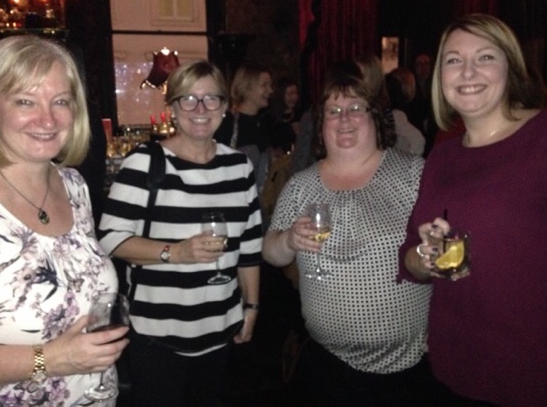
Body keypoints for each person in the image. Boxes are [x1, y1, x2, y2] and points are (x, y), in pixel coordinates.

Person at [398, 13, 547, 407]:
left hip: (539, 379)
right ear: (440, 77)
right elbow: (409, 260)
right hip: (453, 371)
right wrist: (424, 256)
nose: (468, 71)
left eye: (485, 57)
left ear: (511, 68)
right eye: (454, 60)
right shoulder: (443, 156)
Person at [0, 35, 128, 406]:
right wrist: (47, 360)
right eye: (25, 101)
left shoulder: (73, 186)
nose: (47, 119)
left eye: (60, 101)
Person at [263, 72, 436, 406]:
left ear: (375, 116)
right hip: (327, 368)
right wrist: (288, 241)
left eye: (356, 108)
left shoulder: (415, 174)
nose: (344, 119)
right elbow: (271, 252)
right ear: (321, 123)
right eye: (333, 111)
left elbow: (441, 249)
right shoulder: (300, 185)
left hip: (406, 370)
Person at [98, 59, 262, 407]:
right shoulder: (145, 163)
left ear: (224, 106)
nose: (200, 109)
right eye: (187, 99)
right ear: (172, 108)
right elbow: (110, 239)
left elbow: (249, 246)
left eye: (211, 98)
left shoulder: (239, 167)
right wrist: (176, 253)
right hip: (158, 335)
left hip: (220, 328)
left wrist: (251, 306)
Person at [214, 61, 273, 192]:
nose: (270, 90)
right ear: (247, 88)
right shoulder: (227, 123)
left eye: (270, 85)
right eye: (264, 85)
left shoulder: (263, 123)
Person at [356, 53, 425, 155]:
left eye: (361, 76)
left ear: (373, 78)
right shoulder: (354, 107)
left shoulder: (387, 113)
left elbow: (418, 141)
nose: (357, 80)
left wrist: (402, 163)